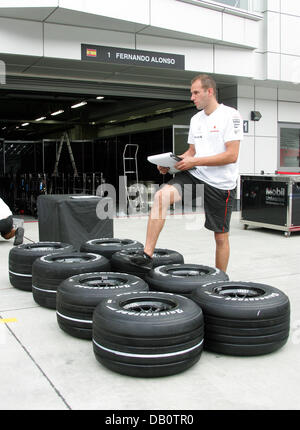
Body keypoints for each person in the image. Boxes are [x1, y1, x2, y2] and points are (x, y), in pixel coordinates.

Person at [131, 74, 243, 273]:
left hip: (221, 184)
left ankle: (220, 279)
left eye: (196, 92)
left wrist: (194, 161)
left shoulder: (230, 115)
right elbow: (191, 153)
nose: (192, 97)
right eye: (191, 93)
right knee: (161, 196)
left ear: (210, 92)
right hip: (196, 175)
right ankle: (147, 255)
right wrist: (171, 165)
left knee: (220, 237)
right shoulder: (195, 120)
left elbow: (231, 155)